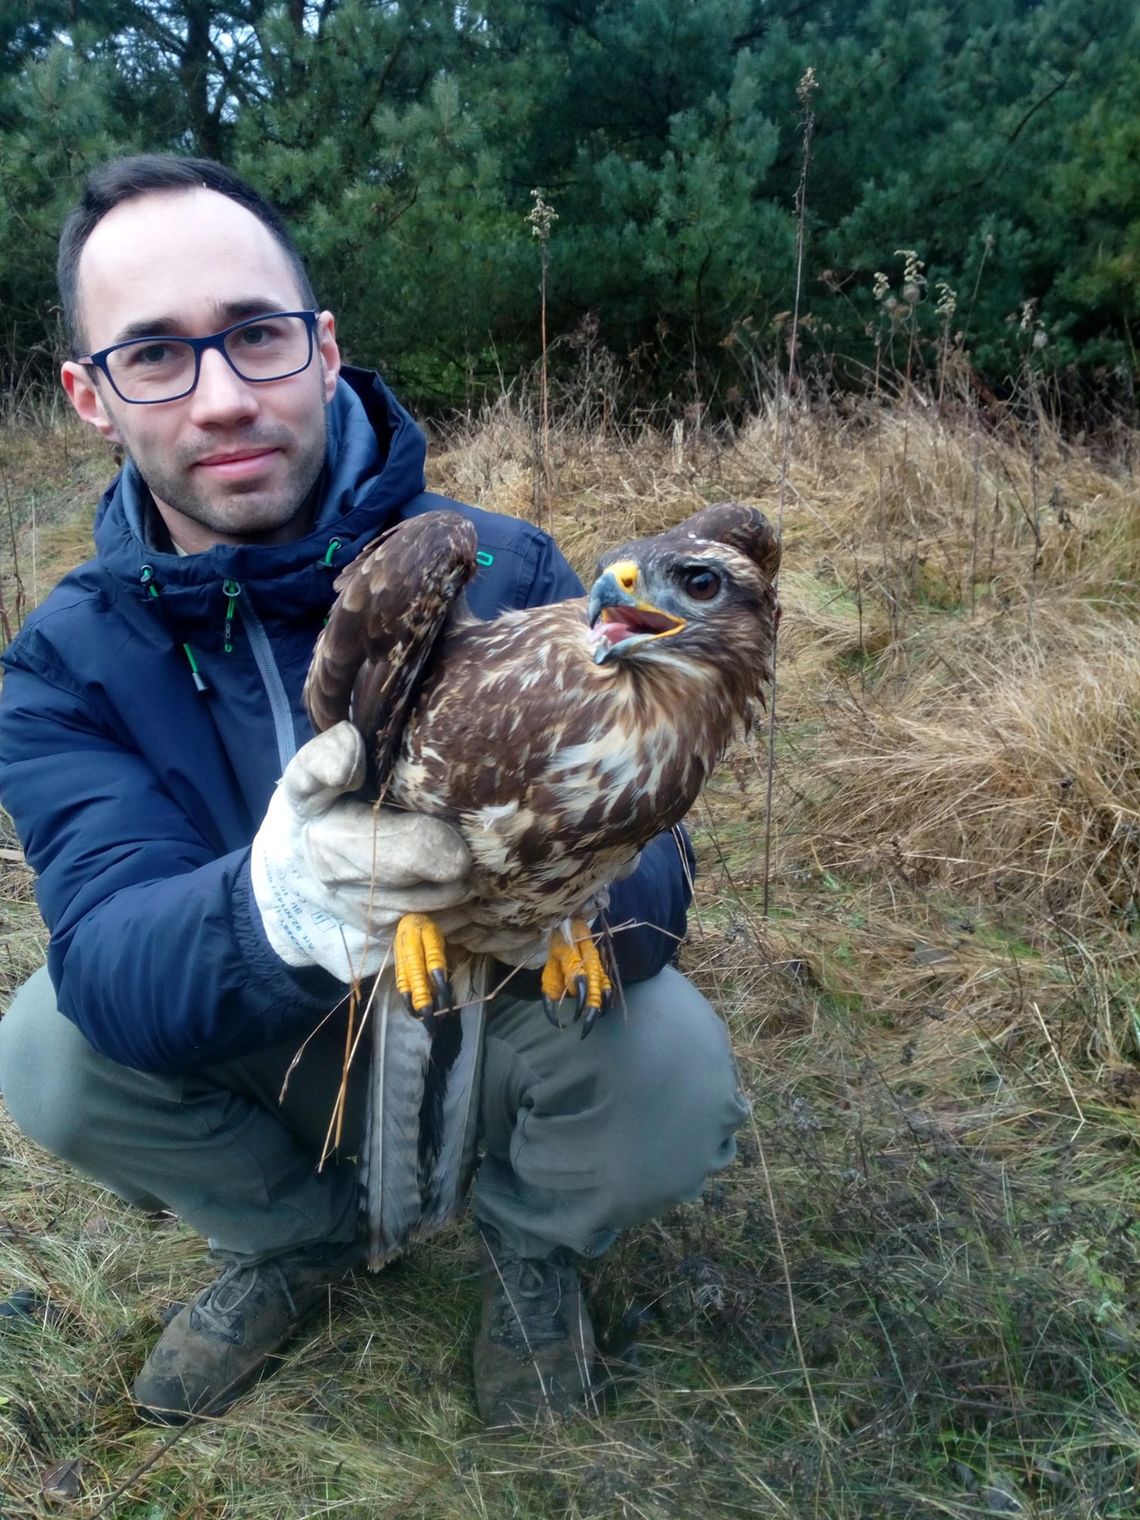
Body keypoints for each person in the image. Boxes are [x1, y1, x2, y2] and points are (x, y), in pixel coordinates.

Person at [0, 154, 749, 1428]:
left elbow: (662, 872)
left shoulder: (508, 565)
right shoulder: (60, 662)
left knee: (670, 1064)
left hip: (485, 1003)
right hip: (267, 1021)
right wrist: (275, 907)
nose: (224, 395)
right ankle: (304, 1239)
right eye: (156, 356)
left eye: (255, 334)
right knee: (47, 1049)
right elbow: (117, 960)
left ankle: (533, 1251)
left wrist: (557, 887)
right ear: (87, 392)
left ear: (325, 346)